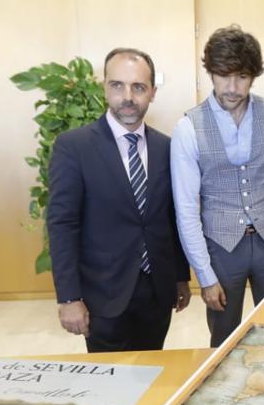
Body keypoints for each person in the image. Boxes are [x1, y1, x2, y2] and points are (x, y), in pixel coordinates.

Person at [47, 47, 191, 352]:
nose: (128, 96)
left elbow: (172, 218)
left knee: (155, 374)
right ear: (105, 86)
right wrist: (69, 298)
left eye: (138, 87)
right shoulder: (74, 147)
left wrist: (180, 278)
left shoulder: (167, 148)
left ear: (152, 92)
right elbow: (62, 225)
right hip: (103, 295)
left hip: (156, 293)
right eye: (118, 85)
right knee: (110, 387)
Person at [172, 25, 264, 347]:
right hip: (222, 248)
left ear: (253, 76)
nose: (232, 87)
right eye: (223, 75)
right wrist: (205, 274)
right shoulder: (188, 127)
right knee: (224, 336)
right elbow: (186, 207)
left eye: (241, 76)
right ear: (210, 73)